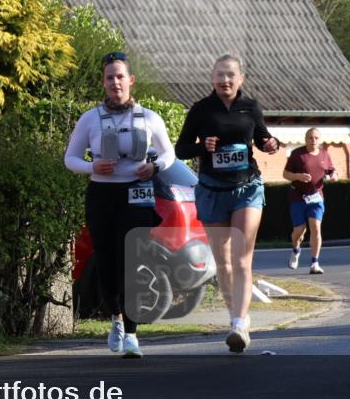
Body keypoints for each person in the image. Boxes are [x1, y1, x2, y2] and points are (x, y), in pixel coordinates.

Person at [64, 52, 175, 358]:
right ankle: (115, 318)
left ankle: (133, 334)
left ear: (131, 80)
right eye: (110, 77)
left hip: (137, 195)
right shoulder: (90, 119)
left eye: (120, 76)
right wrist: (91, 168)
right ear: (103, 82)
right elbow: (70, 158)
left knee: (133, 260)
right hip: (102, 196)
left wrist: (154, 168)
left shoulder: (150, 117)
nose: (115, 82)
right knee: (107, 261)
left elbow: (169, 155)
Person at [175, 54, 280, 352]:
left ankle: (238, 323)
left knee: (241, 257)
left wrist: (271, 144)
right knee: (222, 261)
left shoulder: (251, 107)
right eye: (220, 75)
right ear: (212, 78)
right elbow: (181, 149)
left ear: (241, 79)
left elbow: (262, 139)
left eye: (230, 75)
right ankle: (236, 317)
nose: (225, 80)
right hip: (212, 189)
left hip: (247, 187)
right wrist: (201, 147)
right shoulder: (200, 110)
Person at [283, 127, 337, 274]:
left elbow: (331, 170)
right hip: (298, 197)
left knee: (316, 228)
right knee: (299, 232)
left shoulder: (325, 154)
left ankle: (315, 263)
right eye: (310, 137)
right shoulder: (297, 154)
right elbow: (285, 174)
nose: (313, 140)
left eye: (316, 138)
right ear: (305, 139)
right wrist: (298, 176)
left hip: (316, 197)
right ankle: (295, 250)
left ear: (320, 140)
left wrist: (333, 176)